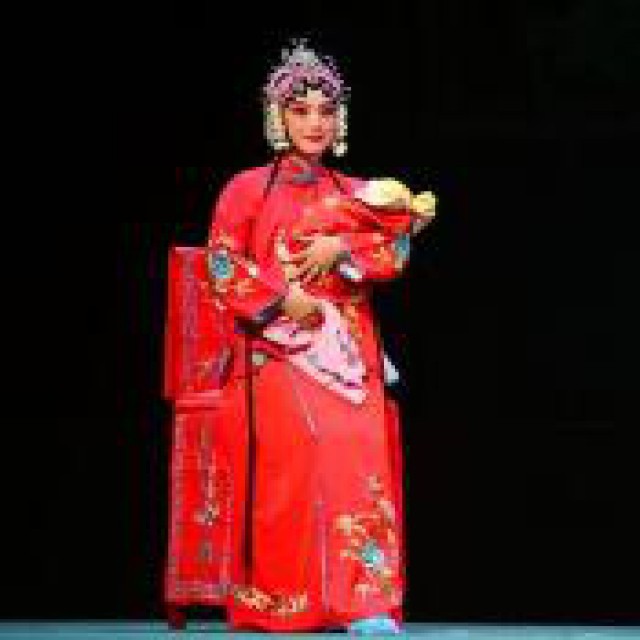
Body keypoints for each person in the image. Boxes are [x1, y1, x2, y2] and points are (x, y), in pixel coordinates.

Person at [198, 39, 435, 634]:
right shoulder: (246, 189)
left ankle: (364, 602)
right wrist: (285, 301)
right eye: (301, 110)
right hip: (276, 348)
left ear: (340, 120)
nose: (314, 122)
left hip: (348, 349)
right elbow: (222, 265)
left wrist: (342, 248)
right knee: (307, 453)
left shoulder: (356, 192)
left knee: (360, 454)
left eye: (326, 111)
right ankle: (294, 599)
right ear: (278, 117)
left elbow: (396, 249)